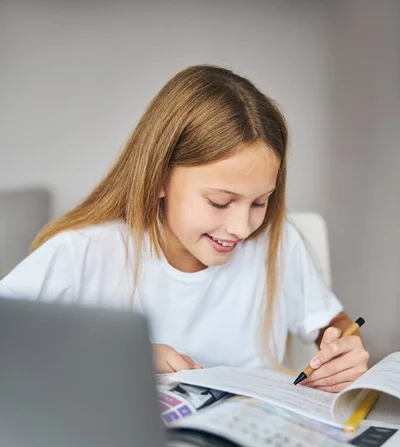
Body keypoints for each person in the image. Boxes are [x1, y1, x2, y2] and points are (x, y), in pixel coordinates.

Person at [0, 65, 369, 390]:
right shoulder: (82, 252)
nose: (241, 228)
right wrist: (120, 358)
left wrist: (343, 347)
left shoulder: (277, 243)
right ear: (159, 178)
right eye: (219, 202)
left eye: (259, 202)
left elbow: (329, 322)